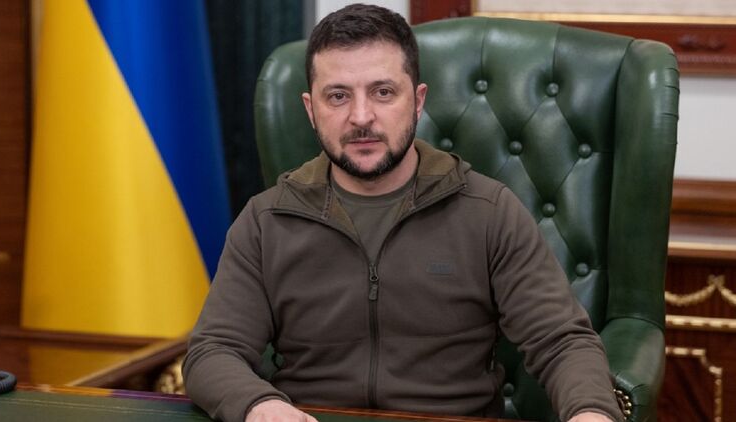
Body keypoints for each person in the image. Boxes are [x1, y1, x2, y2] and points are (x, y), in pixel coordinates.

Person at [183, 4, 623, 422]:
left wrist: (590, 411)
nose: (361, 117)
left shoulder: (489, 212)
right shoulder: (267, 220)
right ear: (310, 110)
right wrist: (259, 405)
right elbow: (213, 350)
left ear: (417, 100)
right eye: (337, 96)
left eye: (383, 92)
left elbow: (561, 342)